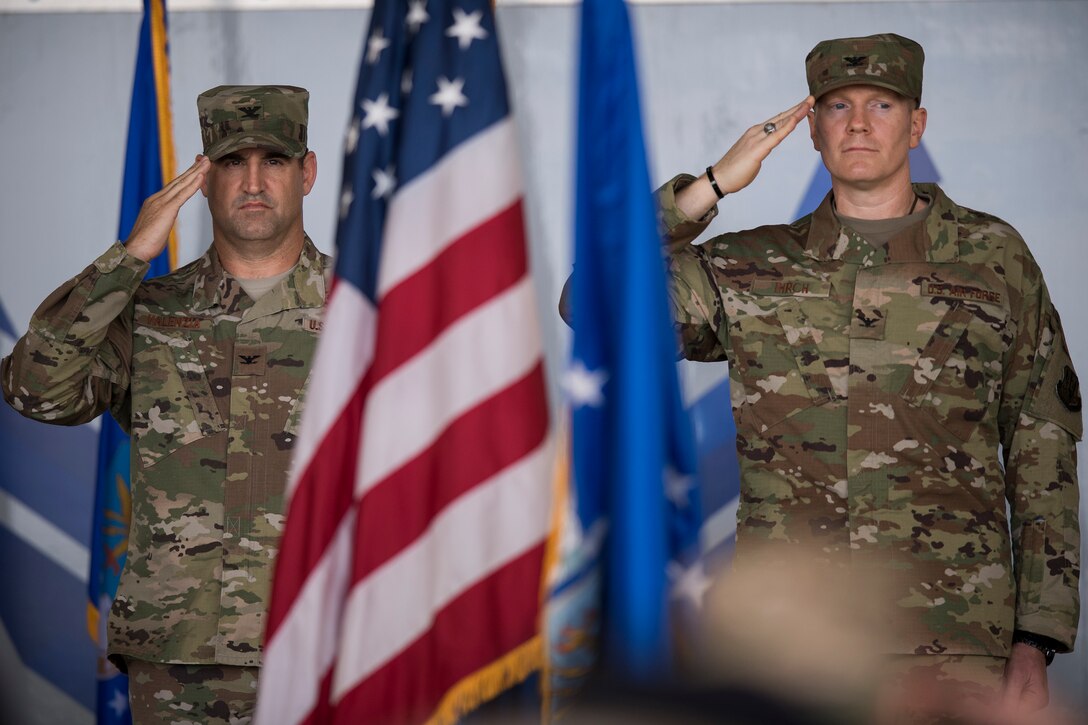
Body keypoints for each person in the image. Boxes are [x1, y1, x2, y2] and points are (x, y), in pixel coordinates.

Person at [564, 33, 1081, 718]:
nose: (859, 123)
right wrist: (710, 186)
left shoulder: (995, 258)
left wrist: (1036, 638)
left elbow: (1042, 443)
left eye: (883, 104)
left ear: (917, 123)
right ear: (811, 129)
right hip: (790, 652)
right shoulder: (750, 267)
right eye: (837, 106)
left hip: (955, 645)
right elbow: (594, 304)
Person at [1, 85, 328, 723]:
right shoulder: (147, 311)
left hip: (327, 641)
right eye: (232, 162)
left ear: (307, 172)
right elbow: (33, 393)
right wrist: (126, 262)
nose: (254, 181)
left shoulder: (369, 314)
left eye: (275, 160)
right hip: (180, 660)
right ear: (201, 180)